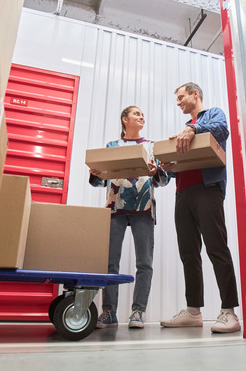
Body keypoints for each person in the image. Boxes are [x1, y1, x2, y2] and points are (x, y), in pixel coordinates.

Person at [159, 82, 241, 334]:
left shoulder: (212, 114)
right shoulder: (185, 130)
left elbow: (221, 130)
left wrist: (193, 128)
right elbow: (180, 166)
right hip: (182, 192)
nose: (178, 102)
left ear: (196, 94)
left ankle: (229, 312)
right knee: (188, 253)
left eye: (181, 96)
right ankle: (193, 311)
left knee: (216, 247)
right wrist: (166, 167)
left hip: (207, 189)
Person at [89, 105, 170, 329]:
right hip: (115, 208)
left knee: (144, 263)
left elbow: (163, 181)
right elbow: (100, 181)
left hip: (143, 209)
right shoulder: (112, 146)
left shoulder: (152, 146)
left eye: (143, 114)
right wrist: (95, 173)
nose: (142, 116)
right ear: (125, 119)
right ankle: (109, 312)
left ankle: (138, 312)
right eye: (136, 114)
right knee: (109, 263)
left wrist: (157, 172)